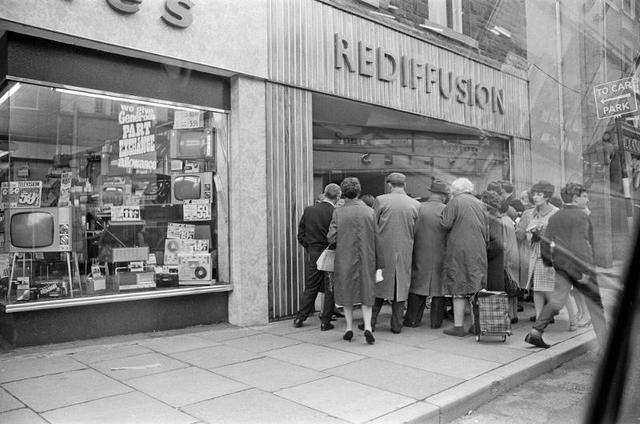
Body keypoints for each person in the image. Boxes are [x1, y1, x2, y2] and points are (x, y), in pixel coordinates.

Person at [525, 183, 607, 348]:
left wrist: (549, 263)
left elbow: (545, 243)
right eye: (584, 196)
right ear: (575, 198)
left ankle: (535, 331)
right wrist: (584, 271)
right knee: (595, 306)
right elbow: (581, 245)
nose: (587, 199)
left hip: (561, 267)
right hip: (580, 268)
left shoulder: (555, 217)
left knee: (556, 301)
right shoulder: (581, 216)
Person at [367, 172, 419, 334]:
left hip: (382, 250)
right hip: (405, 250)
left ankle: (371, 323)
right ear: (404, 185)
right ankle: (397, 325)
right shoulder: (415, 205)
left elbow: (372, 225)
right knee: (401, 286)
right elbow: (415, 231)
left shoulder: (381, 200)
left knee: (379, 285)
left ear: (389, 185)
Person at [327, 177, 377, 344]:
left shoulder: (338, 212)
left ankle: (349, 328)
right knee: (366, 291)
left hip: (345, 257)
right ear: (359, 192)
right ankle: (368, 327)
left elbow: (331, 237)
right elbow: (377, 237)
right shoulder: (370, 212)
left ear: (344, 193)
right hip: (366, 256)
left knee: (346, 291)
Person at [440, 177, 488, 337]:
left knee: (458, 286)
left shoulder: (455, 201)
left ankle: (458, 326)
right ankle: (477, 325)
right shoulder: (480, 203)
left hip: (459, 249)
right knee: (476, 286)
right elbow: (487, 230)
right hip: (479, 248)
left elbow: (445, 224)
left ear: (455, 190)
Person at [294, 183, 341, 330]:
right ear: (338, 196)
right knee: (330, 287)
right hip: (330, 252)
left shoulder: (309, 210)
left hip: (313, 253)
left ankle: (300, 318)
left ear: (324, 193)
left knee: (311, 286)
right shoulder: (336, 212)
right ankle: (325, 321)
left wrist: (309, 247)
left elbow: (300, 235)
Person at [403, 179, 449, 329]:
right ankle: (436, 322)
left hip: (419, 250)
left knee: (417, 285)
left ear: (431, 193)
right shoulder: (446, 209)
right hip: (441, 252)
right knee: (438, 287)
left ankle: (412, 320)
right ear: (443, 195)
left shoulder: (419, 208)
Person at [518, 181, 558, 322]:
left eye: (539, 194)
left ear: (547, 196)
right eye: (534, 194)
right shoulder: (532, 213)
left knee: (554, 290)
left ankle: (572, 320)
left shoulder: (555, 212)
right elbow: (526, 235)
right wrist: (534, 235)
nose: (535, 197)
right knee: (538, 289)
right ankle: (540, 319)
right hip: (537, 254)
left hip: (551, 255)